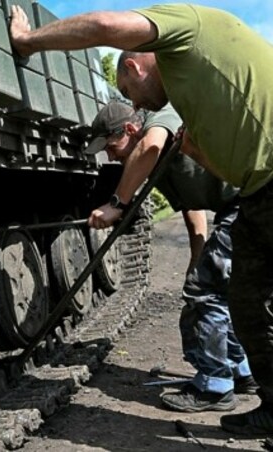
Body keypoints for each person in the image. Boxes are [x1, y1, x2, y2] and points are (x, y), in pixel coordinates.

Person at [9, 4, 273, 449]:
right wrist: (198, 153)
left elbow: (103, 26)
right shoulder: (190, 88)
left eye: (128, 87)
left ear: (133, 61)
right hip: (261, 193)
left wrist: (27, 41)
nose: (135, 103)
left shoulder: (181, 30)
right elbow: (221, 169)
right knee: (250, 306)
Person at [86, 100, 257, 412]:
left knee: (205, 296)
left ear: (130, 130)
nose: (110, 156)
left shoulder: (162, 117)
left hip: (249, 200)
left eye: (112, 146)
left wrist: (117, 203)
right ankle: (241, 370)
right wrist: (198, 257)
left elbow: (148, 146)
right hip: (237, 206)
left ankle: (214, 387)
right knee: (212, 289)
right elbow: (193, 206)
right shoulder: (158, 160)